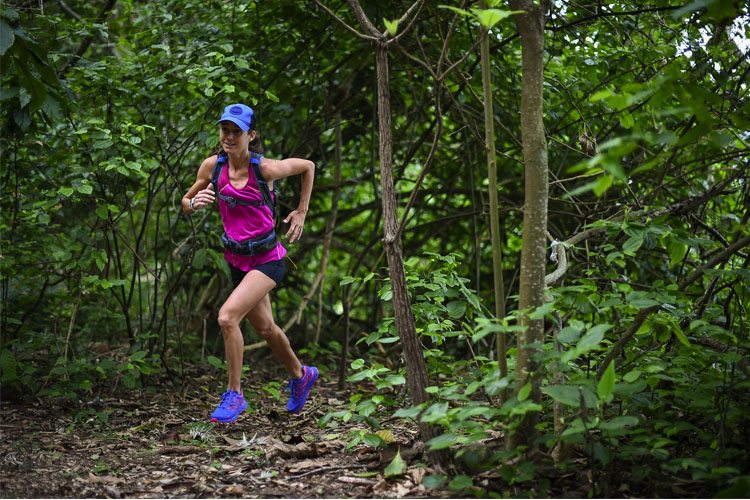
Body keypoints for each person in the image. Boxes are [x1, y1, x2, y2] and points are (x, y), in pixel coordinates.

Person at [182, 103, 318, 423]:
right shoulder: (212, 167)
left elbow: (308, 165)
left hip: (268, 258)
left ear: (250, 135)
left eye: (236, 131)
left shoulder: (265, 169)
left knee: (228, 318)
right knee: (266, 328)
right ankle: (301, 376)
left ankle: (235, 395)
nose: (229, 136)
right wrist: (193, 202)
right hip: (237, 260)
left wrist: (301, 211)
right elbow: (186, 201)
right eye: (225, 130)